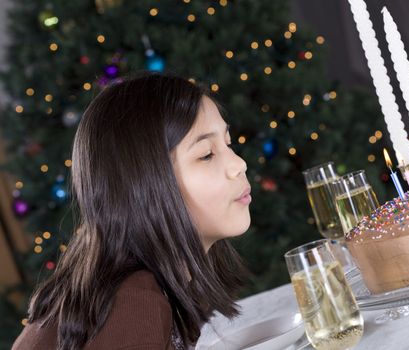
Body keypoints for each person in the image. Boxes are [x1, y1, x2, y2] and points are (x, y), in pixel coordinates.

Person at [12, 72, 251, 350]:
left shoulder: (131, 285)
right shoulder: (132, 302)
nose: (239, 165)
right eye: (206, 154)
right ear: (146, 183)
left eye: (229, 144)